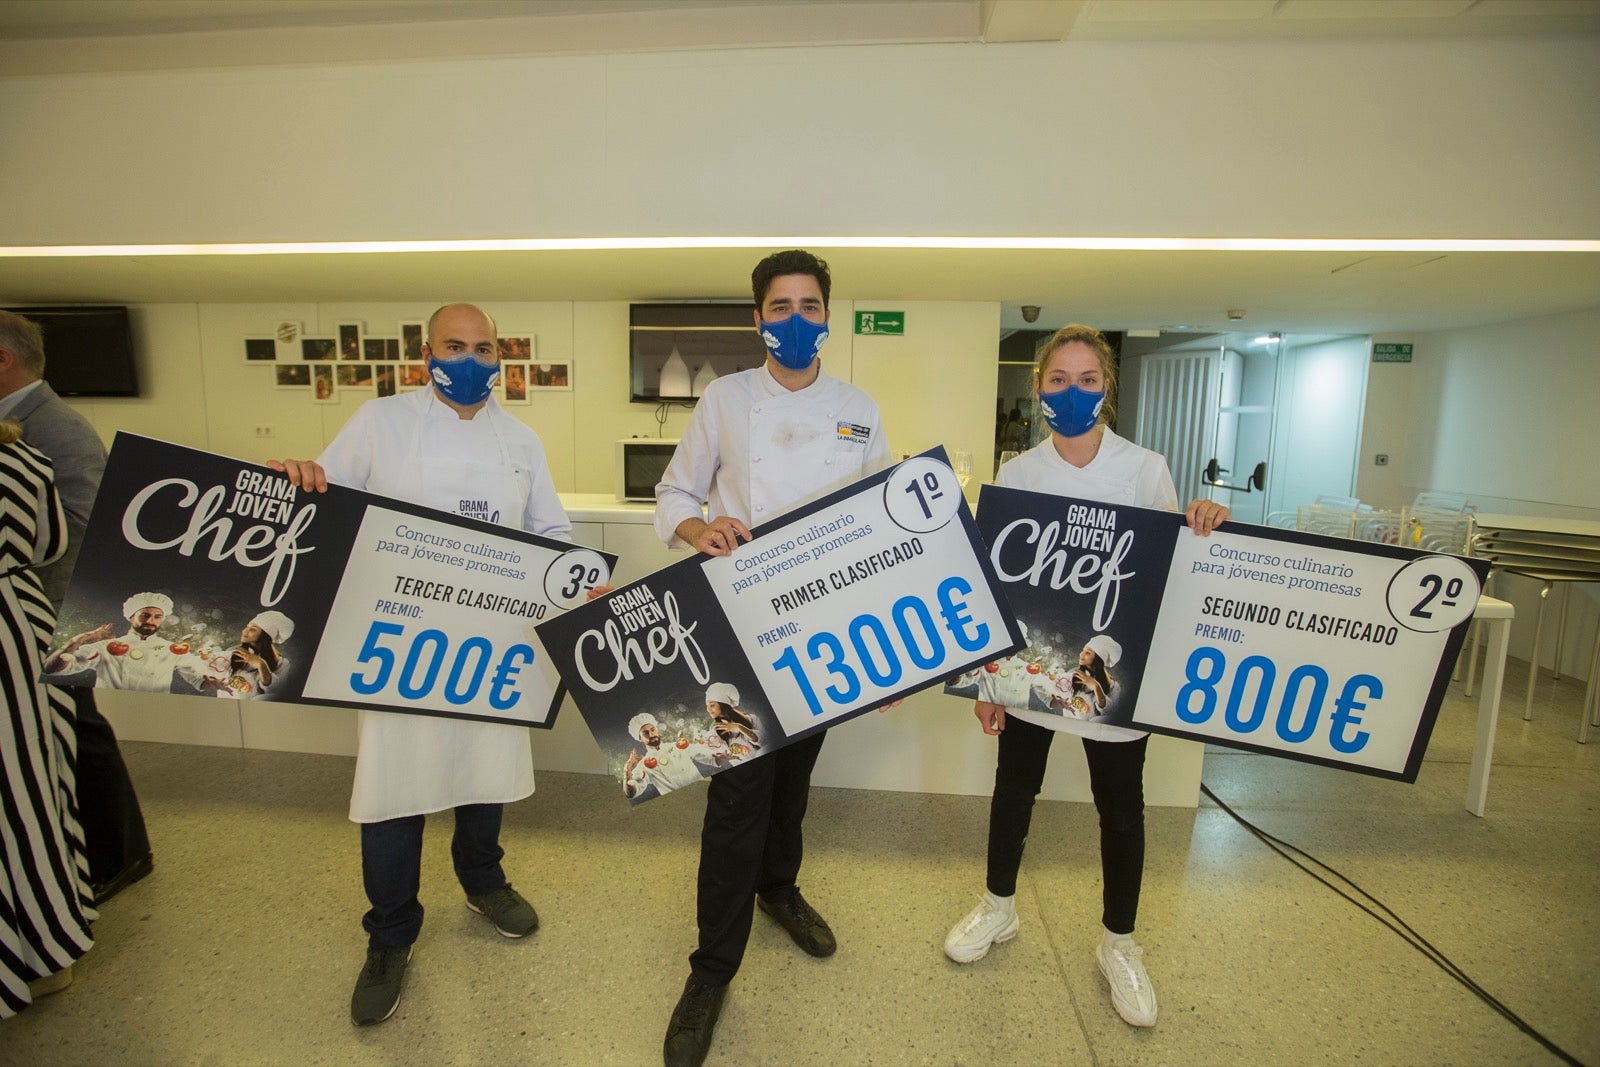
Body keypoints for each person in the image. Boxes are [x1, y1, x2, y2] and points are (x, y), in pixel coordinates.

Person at [271, 302, 571, 1027]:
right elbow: (324, 499)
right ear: (426, 353)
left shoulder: (521, 439)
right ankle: (391, 933)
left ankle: (483, 880)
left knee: (483, 774)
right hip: (400, 644)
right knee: (394, 789)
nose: (470, 360)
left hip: (492, 641)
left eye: (483, 347)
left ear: (503, 355)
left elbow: (550, 529)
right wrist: (300, 476)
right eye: (454, 346)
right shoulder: (380, 423)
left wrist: (577, 570)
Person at [942, 324, 1229, 1030]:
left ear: (1108, 388)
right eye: (1059, 380)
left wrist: (1203, 519)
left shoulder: (1144, 468)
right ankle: (999, 906)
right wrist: (987, 682)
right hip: (1033, 674)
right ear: (1039, 388)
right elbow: (998, 589)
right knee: (1014, 791)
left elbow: (1170, 570)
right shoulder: (1019, 474)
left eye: (1088, 380)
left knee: (1120, 808)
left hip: (1112, 677)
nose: (1073, 393)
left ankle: (1119, 944)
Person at [652, 250, 892, 1067]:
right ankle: (710, 971)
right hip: (742, 625)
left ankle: (778, 887)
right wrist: (698, 529)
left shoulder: (859, 408)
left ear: (830, 315)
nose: (795, 319)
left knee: (794, 776)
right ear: (758, 320)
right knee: (735, 798)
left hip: (825, 631)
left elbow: (885, 526)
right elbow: (674, 494)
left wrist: (895, 647)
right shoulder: (723, 399)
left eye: (809, 304)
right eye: (780, 307)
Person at [0, 309, 154, 905]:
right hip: (36, 607)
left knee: (80, 730)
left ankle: (120, 854)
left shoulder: (55, 427)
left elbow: (84, 526)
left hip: (49, 608)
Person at [0, 421, 95, 1016]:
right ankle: (43, 942)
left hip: (13, 636)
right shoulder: (24, 457)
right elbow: (49, 546)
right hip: (19, 626)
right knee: (30, 785)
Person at [44, 592, 223, 693]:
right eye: (144, 615)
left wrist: (214, 682)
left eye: (157, 616)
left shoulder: (171, 649)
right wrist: (77, 640)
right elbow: (52, 669)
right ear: (131, 617)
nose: (150, 620)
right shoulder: (105, 647)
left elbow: (200, 679)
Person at [622, 712, 723, 801]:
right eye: (645, 733)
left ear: (657, 730)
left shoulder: (678, 746)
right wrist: (627, 773)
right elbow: (631, 793)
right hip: (678, 803)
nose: (651, 734)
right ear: (640, 739)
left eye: (653, 729)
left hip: (703, 793)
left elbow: (709, 757)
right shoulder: (643, 765)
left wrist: (721, 757)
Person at [213, 610, 294, 700]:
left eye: (252, 629)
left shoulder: (282, 663)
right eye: (246, 627)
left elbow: (274, 692)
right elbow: (207, 662)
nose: (244, 631)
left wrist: (261, 664)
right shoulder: (234, 653)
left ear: (265, 636)